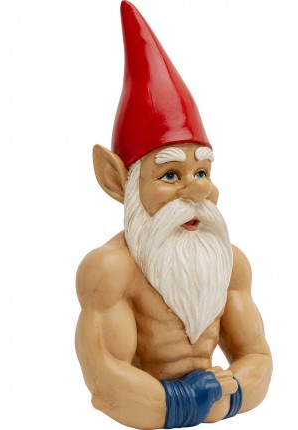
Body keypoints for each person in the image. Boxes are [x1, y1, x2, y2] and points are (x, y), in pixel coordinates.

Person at [75, 2, 272, 429]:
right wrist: (194, 400)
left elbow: (258, 361)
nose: (199, 189)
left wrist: (228, 396)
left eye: (202, 172)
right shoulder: (111, 271)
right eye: (170, 175)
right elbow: (107, 384)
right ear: (117, 182)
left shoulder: (230, 264)